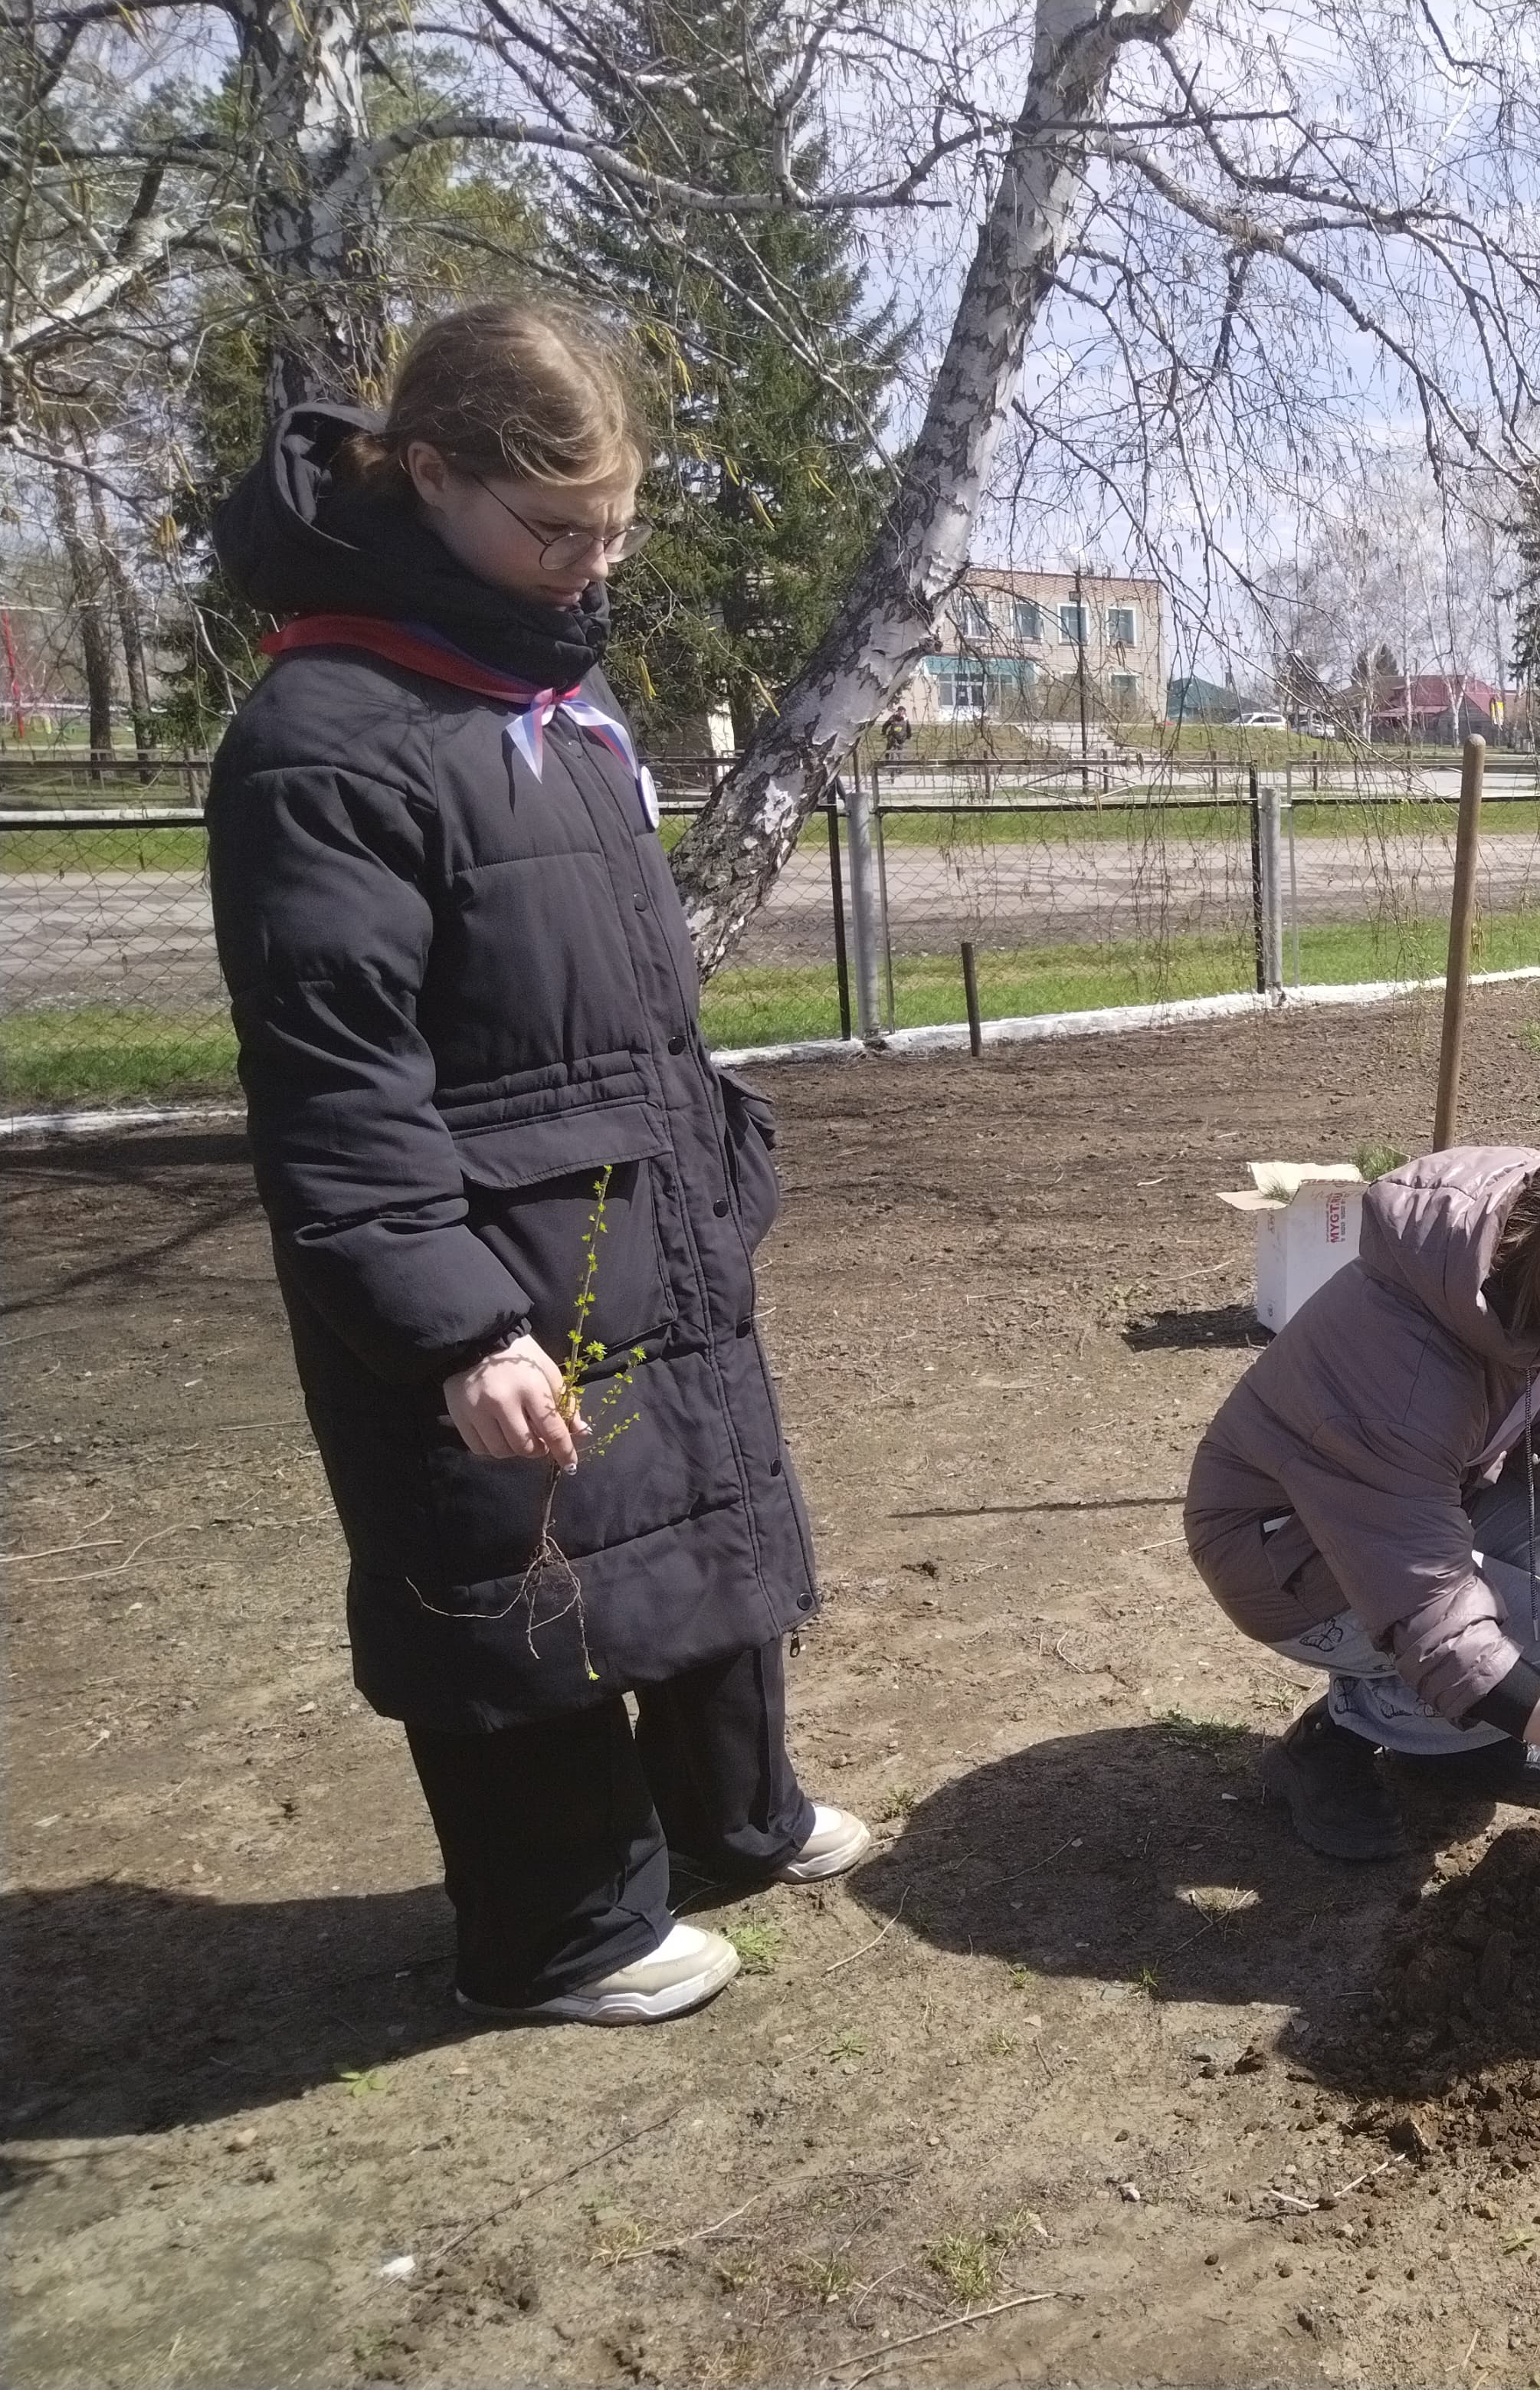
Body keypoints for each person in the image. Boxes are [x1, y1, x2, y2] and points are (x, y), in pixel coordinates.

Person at [204, 302, 868, 2027]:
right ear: (428, 475)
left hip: (644, 1195)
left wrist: (715, 1166)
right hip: (501, 1251)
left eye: (613, 530)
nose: (588, 566)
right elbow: (337, 1080)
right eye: (551, 528)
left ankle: (733, 1813)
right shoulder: (327, 735)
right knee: (526, 1572)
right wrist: (447, 1323)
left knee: (709, 1521)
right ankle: (558, 1928)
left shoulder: (551, 691)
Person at [1184, 1127, 1540, 1859]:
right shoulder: (1405, 1375)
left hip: (1424, 1505)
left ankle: (1459, 1744)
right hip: (1285, 1556)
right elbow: (1443, 1635)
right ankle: (1332, 1743)